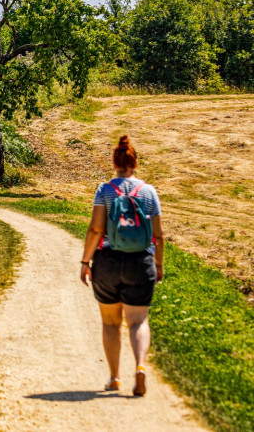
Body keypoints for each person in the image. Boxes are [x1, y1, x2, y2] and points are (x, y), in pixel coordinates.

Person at [79, 134, 164, 397]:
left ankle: (114, 377)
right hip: (141, 260)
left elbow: (96, 229)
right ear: (135, 164)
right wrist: (158, 264)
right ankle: (140, 366)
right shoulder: (149, 192)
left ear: (113, 163)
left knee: (111, 323)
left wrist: (85, 261)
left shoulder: (105, 190)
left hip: (108, 262)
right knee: (138, 321)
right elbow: (158, 235)